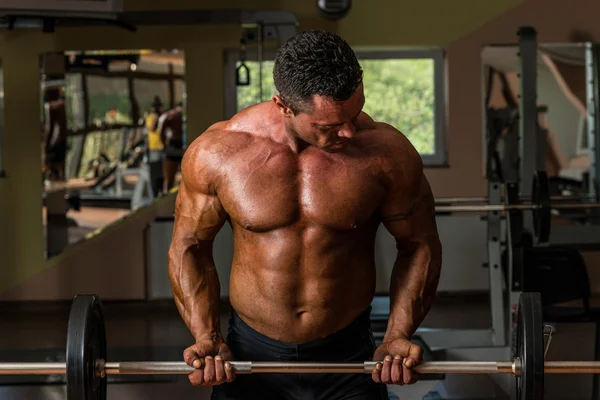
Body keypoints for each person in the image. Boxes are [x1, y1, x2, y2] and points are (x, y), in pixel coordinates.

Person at [168, 30, 442, 400]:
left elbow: (419, 244)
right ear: (284, 105)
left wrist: (397, 334)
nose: (348, 131)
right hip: (248, 357)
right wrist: (207, 336)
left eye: (354, 112)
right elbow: (189, 247)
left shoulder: (387, 154)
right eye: (328, 126)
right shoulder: (218, 154)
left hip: (350, 355)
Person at [157, 102, 184, 193]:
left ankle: (166, 194)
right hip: (186, 146)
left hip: (173, 145)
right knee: (186, 178)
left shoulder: (169, 115)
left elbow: (160, 131)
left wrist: (163, 144)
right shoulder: (186, 113)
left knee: (168, 180)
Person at [43, 87, 67, 182]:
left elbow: (50, 127)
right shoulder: (63, 105)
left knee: (52, 163)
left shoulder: (50, 106)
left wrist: (46, 144)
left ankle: (55, 181)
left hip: (55, 140)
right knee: (61, 164)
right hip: (63, 138)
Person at [145, 96, 164, 197]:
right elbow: (151, 128)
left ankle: (161, 190)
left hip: (163, 147)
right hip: (154, 148)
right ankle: (155, 192)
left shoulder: (163, 117)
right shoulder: (151, 117)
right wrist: (156, 118)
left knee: (163, 172)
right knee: (155, 172)